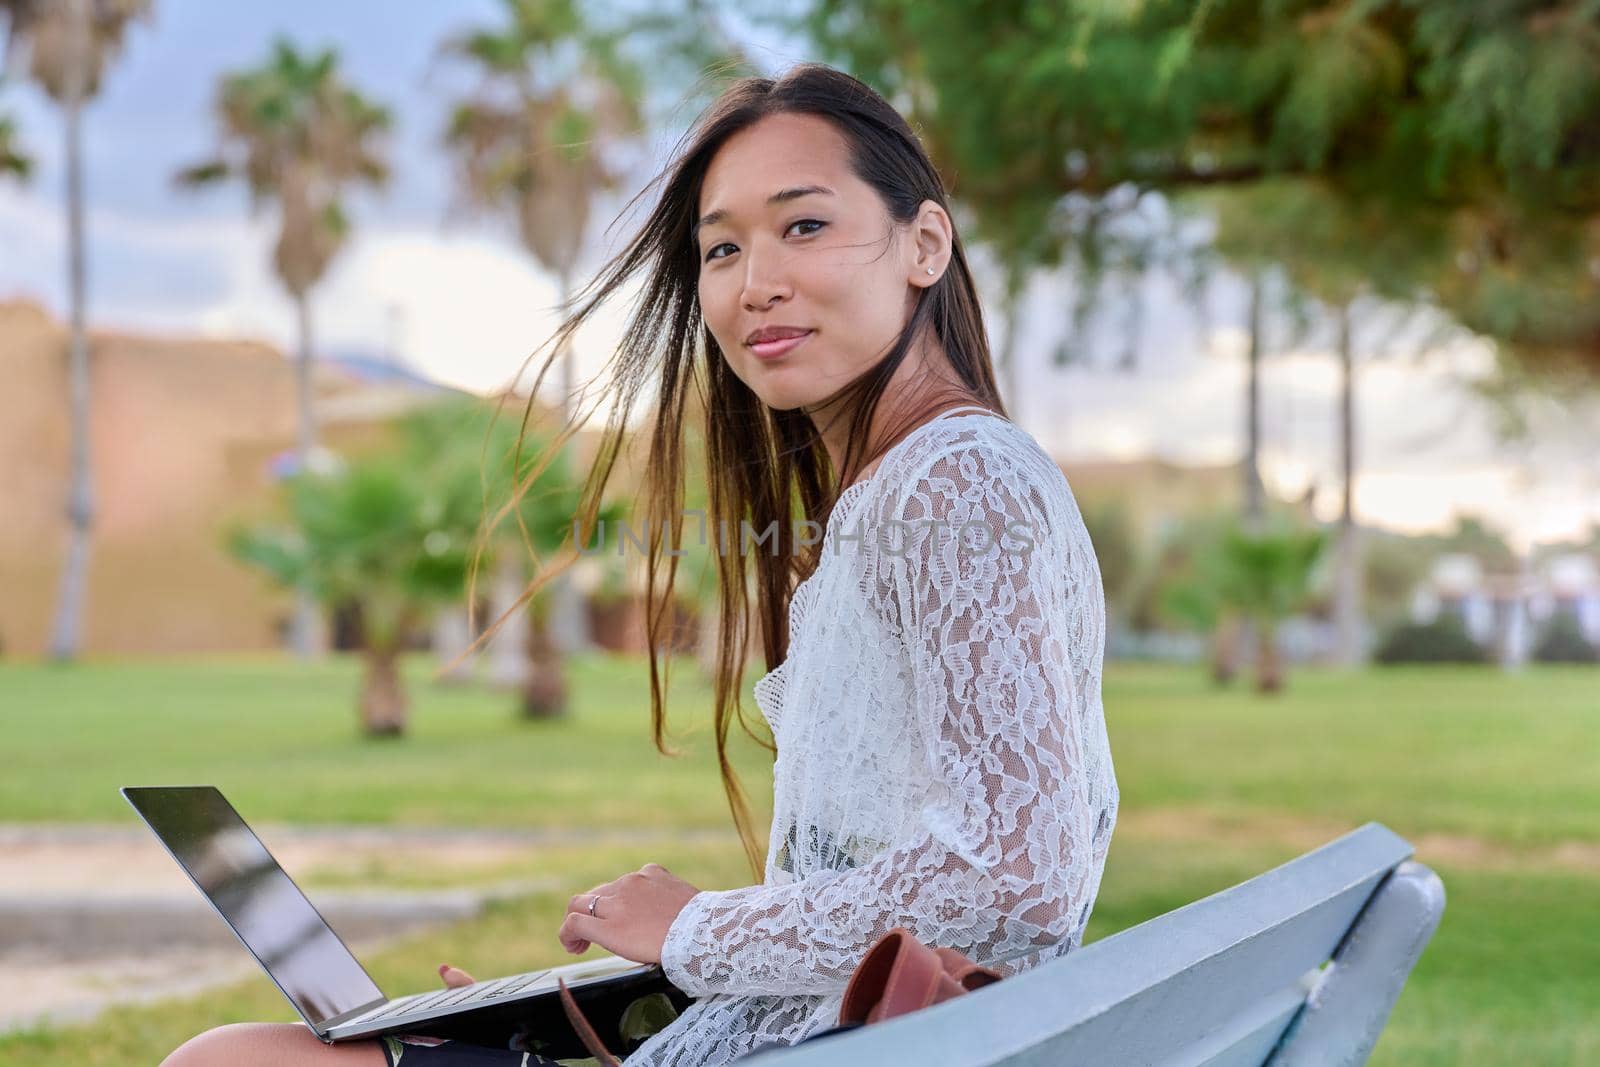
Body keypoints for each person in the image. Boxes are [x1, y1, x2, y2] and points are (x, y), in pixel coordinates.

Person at [160, 61, 1118, 1067]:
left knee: (230, 1060)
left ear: (924, 244)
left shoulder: (955, 478)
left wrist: (697, 926)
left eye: (803, 226)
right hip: (819, 1039)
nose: (757, 283)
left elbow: (1019, 872)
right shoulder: (904, 486)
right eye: (721, 248)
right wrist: (551, 1008)